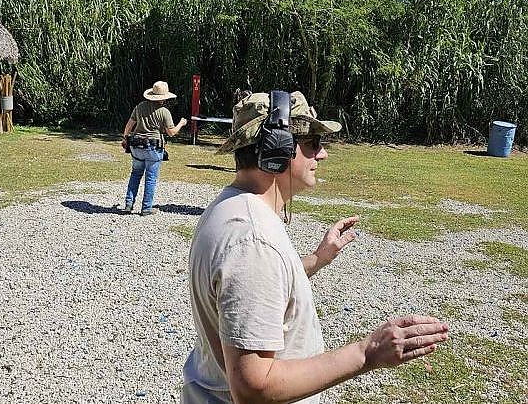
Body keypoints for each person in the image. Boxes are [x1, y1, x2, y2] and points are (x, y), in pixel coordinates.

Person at [181, 90, 449, 403]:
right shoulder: (252, 240)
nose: (322, 155)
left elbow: (262, 290)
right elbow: (254, 387)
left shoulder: (231, 208)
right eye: (312, 144)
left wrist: (317, 259)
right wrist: (367, 353)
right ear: (276, 149)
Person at [120, 81, 187, 216]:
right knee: (150, 178)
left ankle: (128, 204)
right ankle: (146, 208)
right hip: (153, 147)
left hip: (136, 146)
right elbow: (171, 132)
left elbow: (129, 126)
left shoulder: (139, 107)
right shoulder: (164, 112)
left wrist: (125, 138)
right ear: (164, 97)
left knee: (135, 174)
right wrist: (181, 123)